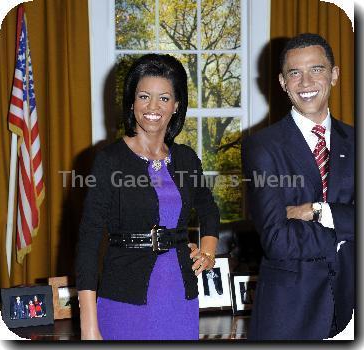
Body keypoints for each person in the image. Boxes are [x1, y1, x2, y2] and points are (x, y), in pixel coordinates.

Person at [76, 54, 220, 340]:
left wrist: (208, 251)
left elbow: (209, 209)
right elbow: (88, 245)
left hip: (181, 298)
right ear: (131, 102)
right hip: (124, 301)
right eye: (144, 96)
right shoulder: (110, 160)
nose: (153, 107)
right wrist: (89, 326)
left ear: (177, 105)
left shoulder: (187, 159)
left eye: (164, 98)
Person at [242, 33, 354, 340]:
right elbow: (277, 239)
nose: (305, 82)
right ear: (282, 82)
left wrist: (318, 211)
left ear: (334, 75)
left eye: (316, 69)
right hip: (291, 315)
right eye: (295, 73)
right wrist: (345, 231)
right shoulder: (262, 147)